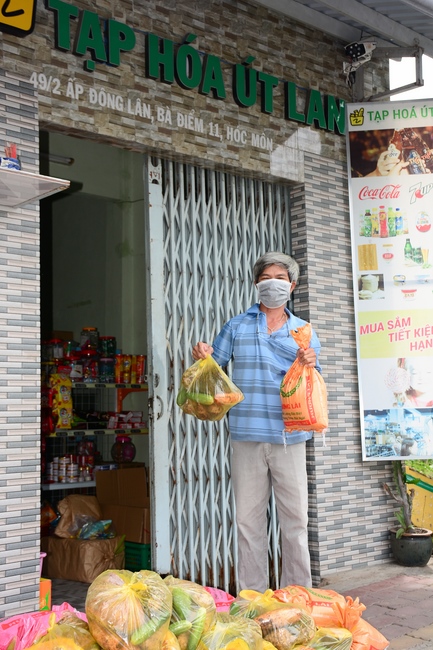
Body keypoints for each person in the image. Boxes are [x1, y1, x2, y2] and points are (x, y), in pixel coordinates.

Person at [192, 251, 322, 591]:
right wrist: (203, 355)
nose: (272, 284)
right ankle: (252, 598)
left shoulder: (303, 331)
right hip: (246, 435)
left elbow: (315, 383)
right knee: (248, 522)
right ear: (255, 284)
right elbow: (214, 366)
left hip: (290, 437)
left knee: (295, 522)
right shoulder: (237, 325)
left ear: (292, 285)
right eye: (265, 279)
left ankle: (298, 597)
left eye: (279, 278)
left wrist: (311, 361)